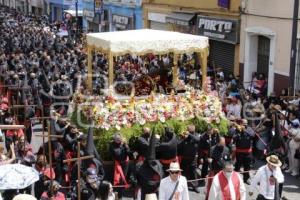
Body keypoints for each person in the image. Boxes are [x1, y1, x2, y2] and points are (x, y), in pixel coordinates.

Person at [177, 125, 200, 192]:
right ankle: (181, 185)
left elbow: (197, 140)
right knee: (183, 172)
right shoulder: (185, 137)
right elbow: (178, 145)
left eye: (191, 131)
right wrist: (183, 138)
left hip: (192, 158)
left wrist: (189, 134)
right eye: (189, 131)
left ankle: (195, 186)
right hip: (184, 158)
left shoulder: (196, 135)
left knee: (193, 172)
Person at [232, 119, 255, 184]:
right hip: (239, 151)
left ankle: (246, 178)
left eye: (246, 124)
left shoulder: (249, 129)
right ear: (241, 123)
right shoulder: (237, 129)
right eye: (243, 124)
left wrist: (245, 131)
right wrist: (239, 133)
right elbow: (234, 137)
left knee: (247, 166)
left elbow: (253, 135)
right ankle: (234, 178)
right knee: (237, 165)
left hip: (247, 152)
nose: (245, 125)